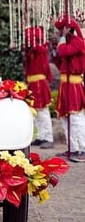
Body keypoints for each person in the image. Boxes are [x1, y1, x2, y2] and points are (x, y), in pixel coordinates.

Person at [54, 15, 85, 162]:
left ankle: (83, 148)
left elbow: (63, 52)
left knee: (76, 118)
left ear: (67, 29)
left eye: (61, 30)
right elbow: (60, 62)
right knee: (67, 118)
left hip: (73, 85)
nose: (58, 33)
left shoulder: (78, 42)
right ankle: (73, 148)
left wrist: (60, 42)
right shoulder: (66, 43)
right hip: (65, 84)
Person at [24, 26, 54, 149]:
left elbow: (36, 46)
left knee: (43, 112)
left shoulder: (41, 49)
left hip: (39, 84)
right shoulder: (31, 51)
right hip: (33, 84)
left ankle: (48, 137)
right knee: (36, 113)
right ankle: (41, 136)